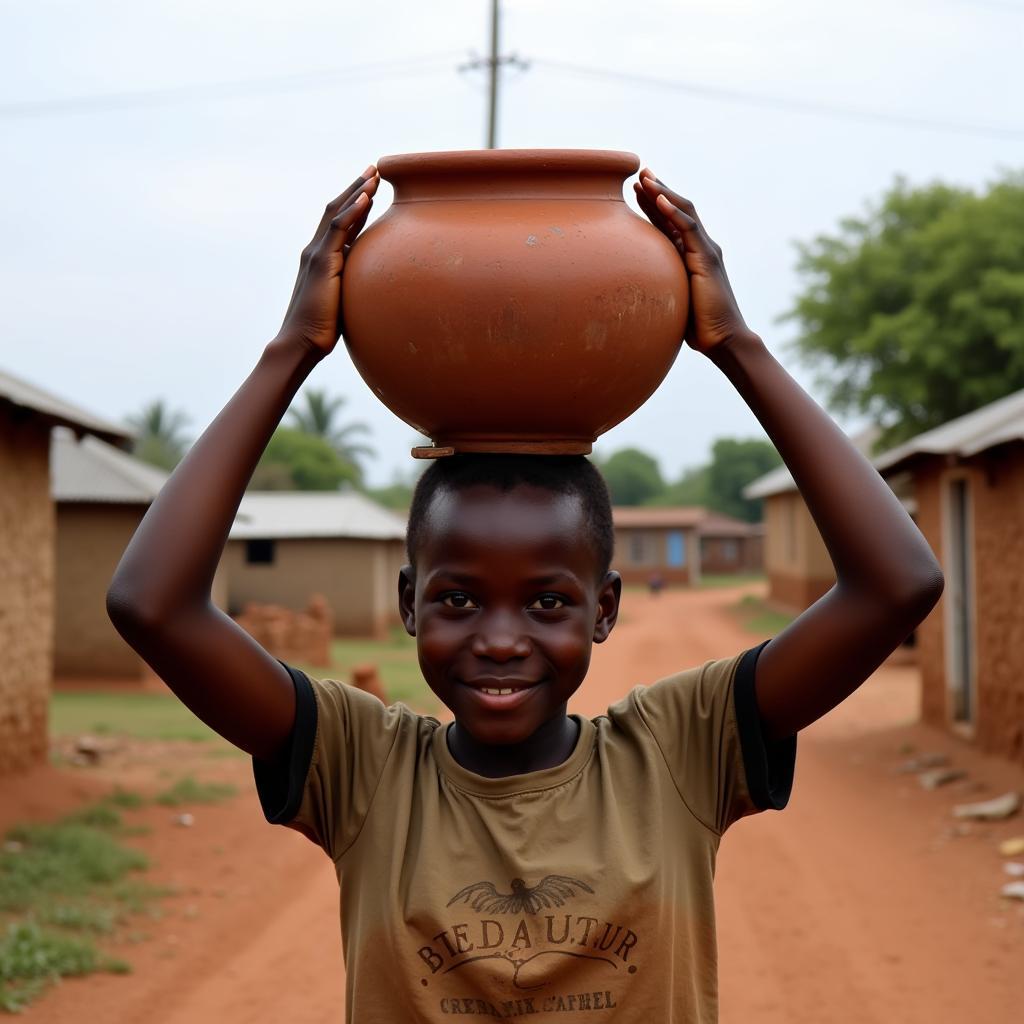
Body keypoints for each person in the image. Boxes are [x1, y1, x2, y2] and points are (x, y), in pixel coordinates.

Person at [106, 164, 944, 1022]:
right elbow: (153, 605)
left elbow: (897, 583)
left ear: (605, 608)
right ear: (407, 603)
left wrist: (737, 345)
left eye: (547, 603)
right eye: (459, 601)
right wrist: (293, 350)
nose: (500, 640)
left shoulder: (677, 753)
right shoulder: (363, 770)